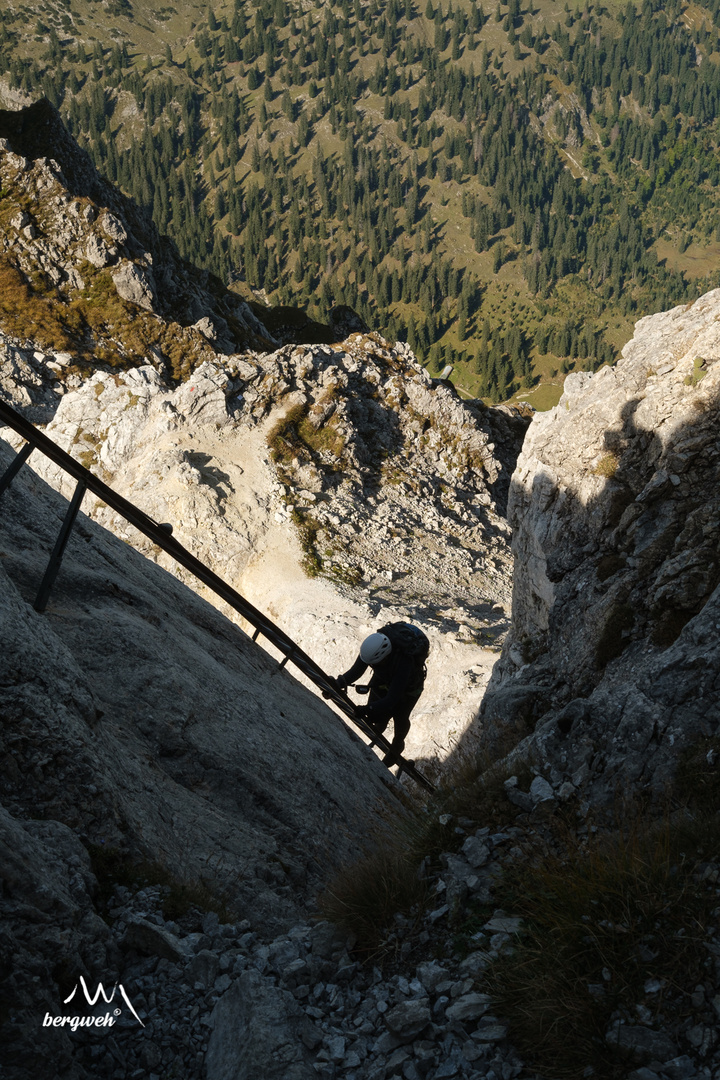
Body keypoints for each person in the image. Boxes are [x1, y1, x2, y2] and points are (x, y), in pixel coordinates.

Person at [329, 623, 429, 766]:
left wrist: (367, 708)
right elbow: (357, 670)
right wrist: (339, 683)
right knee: (377, 716)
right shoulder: (371, 649)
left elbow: (392, 699)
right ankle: (378, 731)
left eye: (375, 664)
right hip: (384, 679)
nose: (371, 666)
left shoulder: (404, 663)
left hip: (409, 689)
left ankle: (397, 744)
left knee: (400, 716)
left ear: (384, 658)